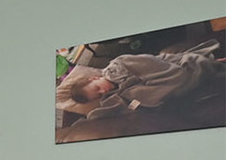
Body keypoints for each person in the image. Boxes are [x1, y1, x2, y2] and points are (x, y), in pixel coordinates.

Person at [59, 46, 224, 119]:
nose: (103, 91)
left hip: (172, 70)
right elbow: (133, 103)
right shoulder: (114, 96)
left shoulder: (119, 65)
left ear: (94, 78)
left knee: (185, 75)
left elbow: (153, 65)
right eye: (98, 95)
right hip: (167, 89)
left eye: (97, 88)